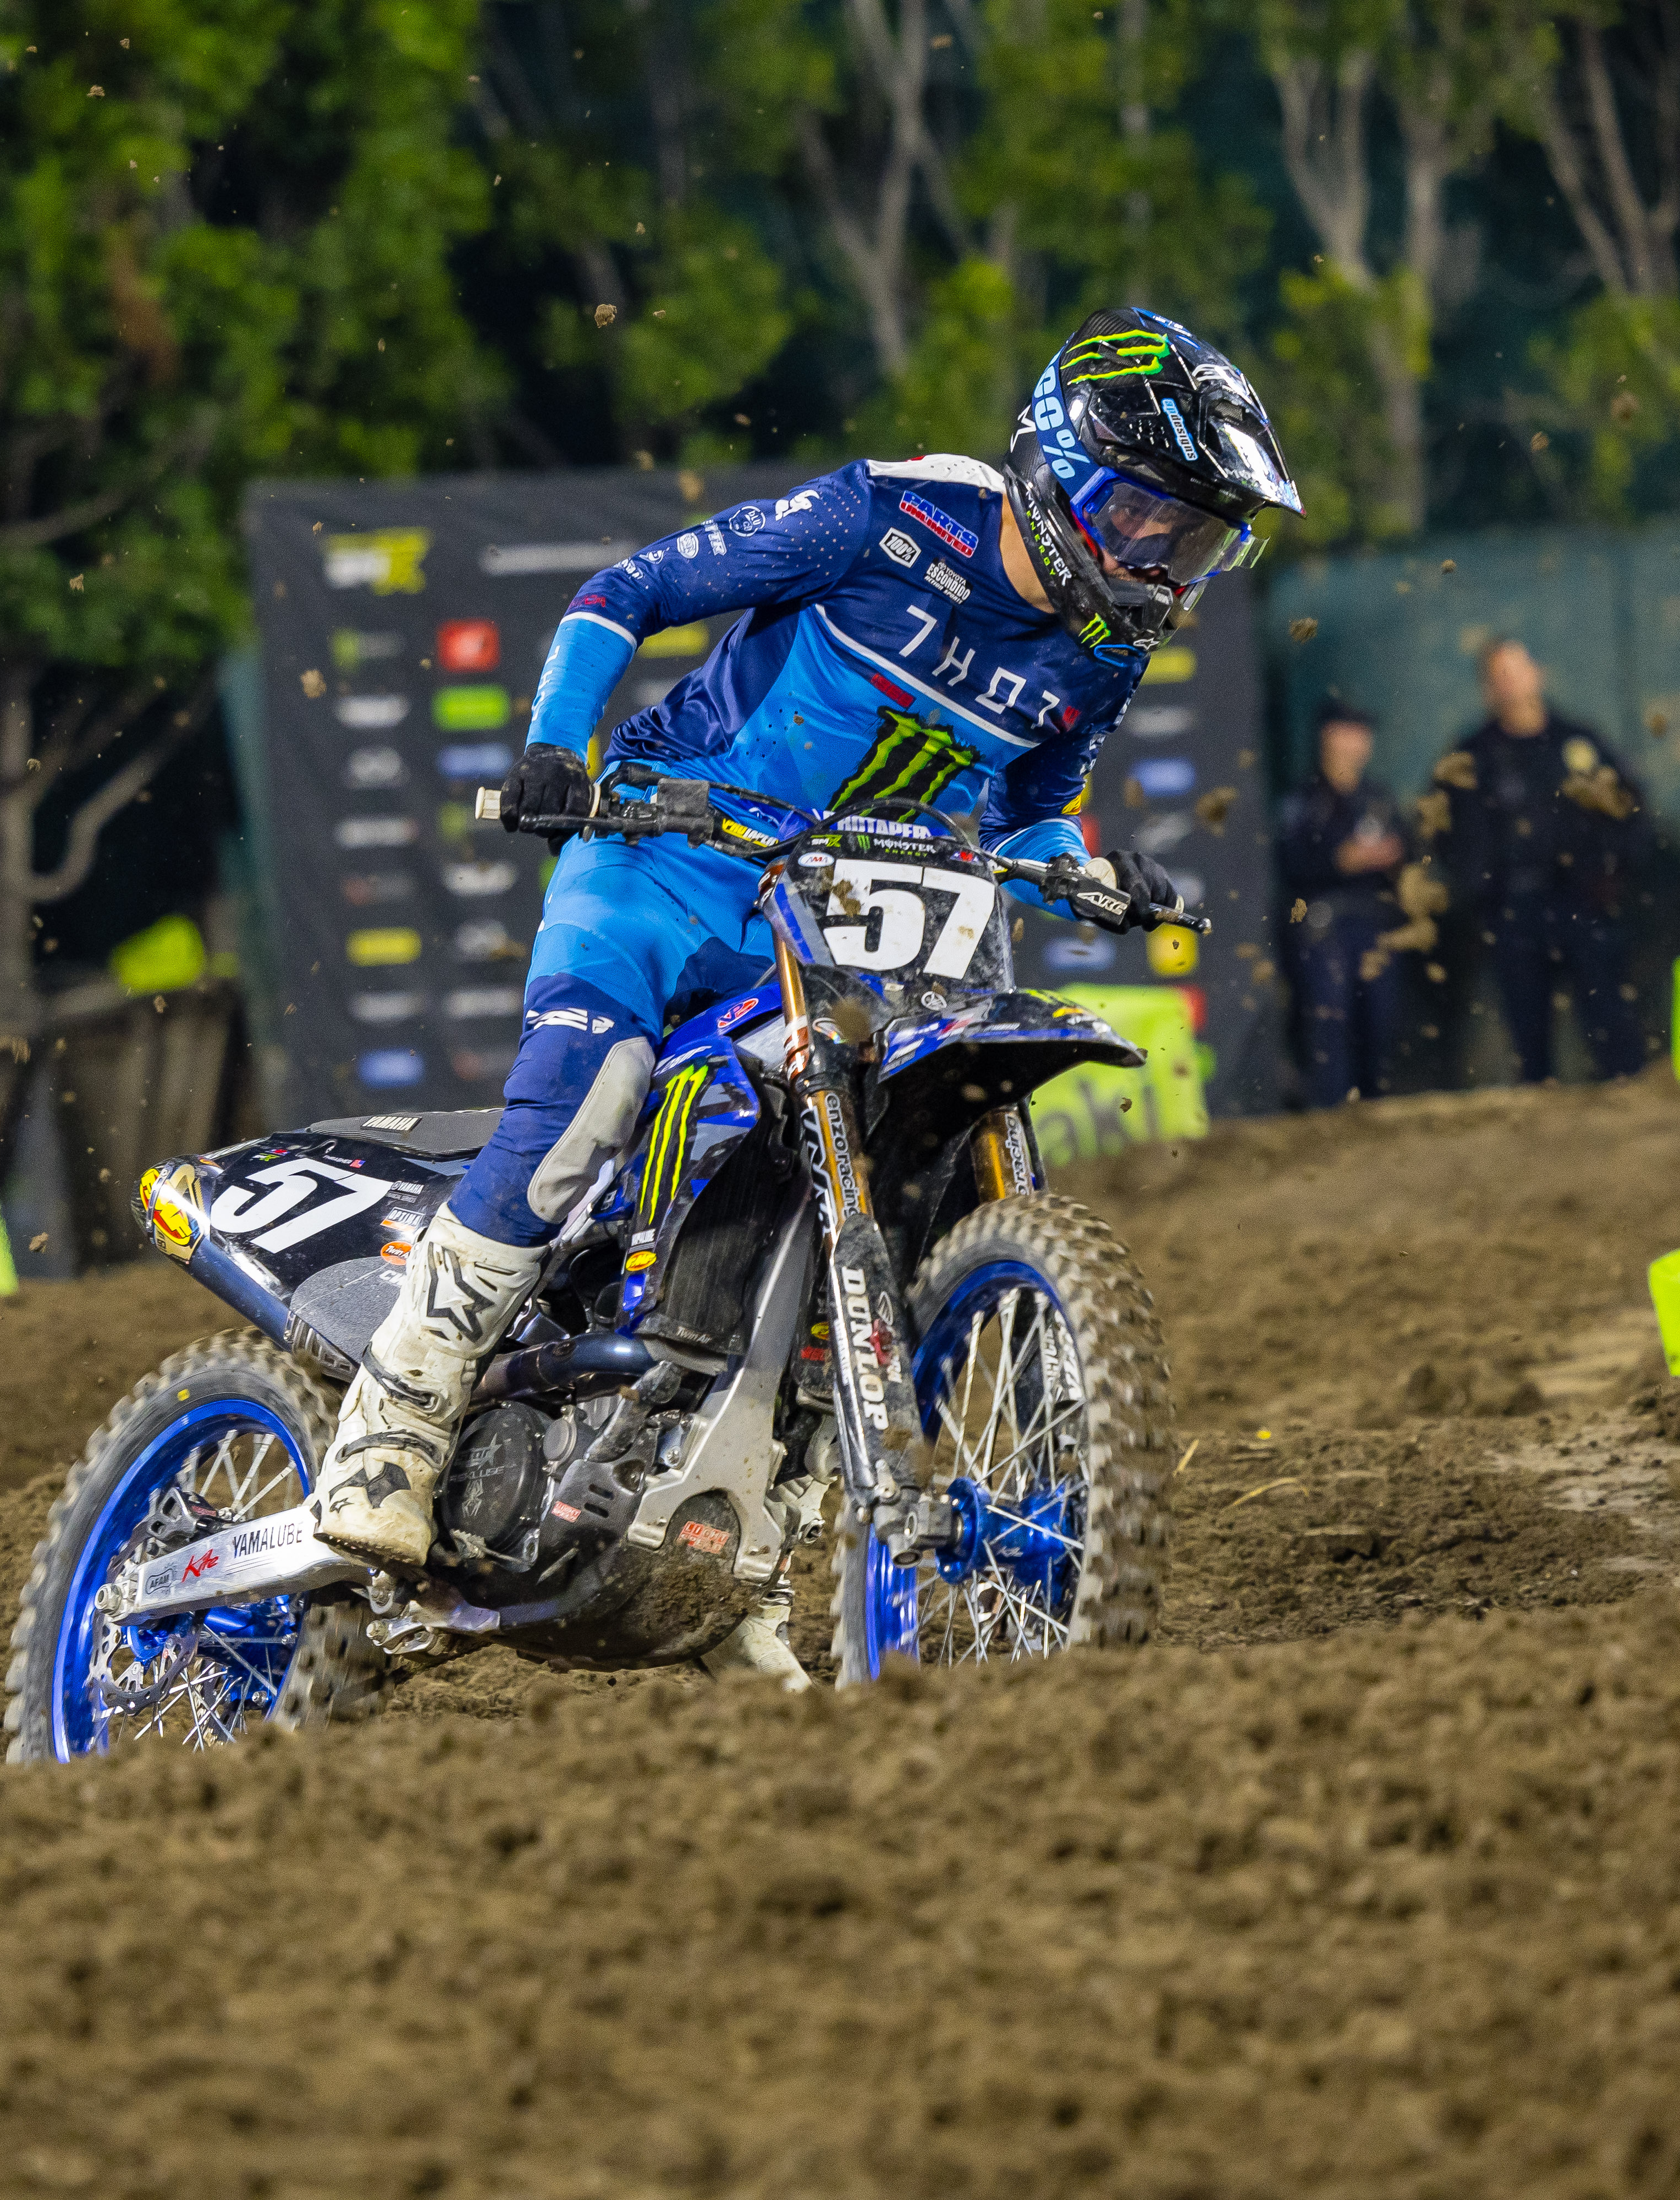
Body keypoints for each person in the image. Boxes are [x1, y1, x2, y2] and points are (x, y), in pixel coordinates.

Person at [306, 305, 1302, 1614]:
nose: (1162, 561)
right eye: (1145, 519)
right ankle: (396, 1421)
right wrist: (559, 743)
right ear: (1061, 466)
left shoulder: (1103, 647)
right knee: (585, 1103)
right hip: (662, 856)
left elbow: (1032, 797)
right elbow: (629, 592)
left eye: (1198, 540)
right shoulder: (892, 517)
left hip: (836, 909)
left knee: (838, 1162)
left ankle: (740, 1523)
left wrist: (1079, 862)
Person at [1444, 637, 1647, 1084]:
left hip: (1584, 904)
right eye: (1499, 676)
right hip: (1514, 911)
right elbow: (1449, 834)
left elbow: (1629, 807)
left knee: (1612, 1027)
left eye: (1517, 671)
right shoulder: (1472, 757)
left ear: (1539, 673)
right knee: (1529, 1042)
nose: (1511, 684)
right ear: (1487, 690)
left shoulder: (1580, 743)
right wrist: (1481, 895)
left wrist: (1611, 872)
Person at [1276, 698, 1407, 1107]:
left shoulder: (1379, 799)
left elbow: (1407, 851)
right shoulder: (1305, 801)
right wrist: (1339, 859)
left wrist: (1393, 857)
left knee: (1380, 1028)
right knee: (1329, 1031)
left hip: (1377, 929)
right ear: (1326, 736)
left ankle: (1376, 1118)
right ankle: (1330, 1124)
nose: (1354, 743)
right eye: (1345, 731)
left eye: (1361, 733)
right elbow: (1289, 860)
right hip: (1324, 931)